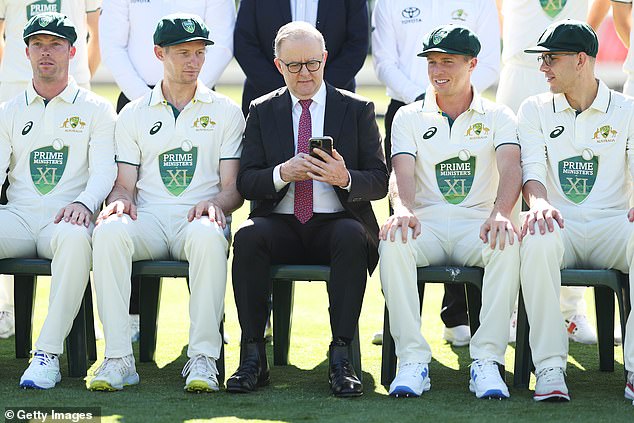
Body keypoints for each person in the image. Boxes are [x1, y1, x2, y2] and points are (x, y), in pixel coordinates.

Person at [226, 21, 387, 397]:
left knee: (351, 235)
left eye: (312, 64)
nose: (304, 73)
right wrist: (283, 173)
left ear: (325, 59)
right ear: (278, 65)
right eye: (294, 65)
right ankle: (252, 356)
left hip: (336, 223)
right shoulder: (262, 110)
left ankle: (341, 356)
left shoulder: (357, 108)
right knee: (247, 237)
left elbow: (379, 180)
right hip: (280, 223)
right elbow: (246, 181)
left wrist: (344, 177)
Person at [88, 14, 244, 393]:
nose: (193, 61)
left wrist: (215, 205)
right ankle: (118, 358)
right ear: (159, 53)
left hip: (198, 218)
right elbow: (124, 185)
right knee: (108, 231)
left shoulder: (225, 111)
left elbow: (233, 189)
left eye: (199, 52)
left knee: (209, 236)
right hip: (150, 218)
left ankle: (203, 358)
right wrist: (120, 203)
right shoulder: (134, 113)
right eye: (183, 53)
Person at [379, 24, 521, 399]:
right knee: (393, 240)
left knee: (507, 241)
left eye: (448, 62)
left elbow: (511, 168)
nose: (438, 70)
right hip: (425, 222)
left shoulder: (499, 114)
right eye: (431, 62)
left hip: (478, 222)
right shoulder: (408, 116)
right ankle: (412, 359)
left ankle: (488, 360)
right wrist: (402, 209)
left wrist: (502, 212)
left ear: (472, 63)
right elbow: (402, 171)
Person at [371, 0, 501, 347]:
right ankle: (400, 316)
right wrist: (424, 102)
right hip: (407, 106)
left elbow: (489, 62)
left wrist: (449, 94)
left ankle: (457, 315)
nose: (438, 65)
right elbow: (383, 61)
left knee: (466, 203)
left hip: (467, 108)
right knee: (403, 214)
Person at [519, 19, 634, 402]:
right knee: (534, 233)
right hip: (559, 224)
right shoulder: (534, 109)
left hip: (611, 225)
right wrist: (538, 204)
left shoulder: (626, 110)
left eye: (551, 58)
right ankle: (550, 366)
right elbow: (532, 174)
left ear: (581, 59)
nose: (542, 68)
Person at [0, 12, 116, 389]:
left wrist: (84, 203)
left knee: (76, 238)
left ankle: (46, 354)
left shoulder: (96, 109)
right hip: (17, 216)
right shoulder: (9, 111)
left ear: (72, 51)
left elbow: (103, 172)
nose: (45, 53)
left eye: (55, 45)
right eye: (38, 45)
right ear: (26, 52)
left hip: (65, 218)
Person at [496, 0, 611, 346]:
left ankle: (571, 311)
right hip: (519, 68)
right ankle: (516, 307)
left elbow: (604, 4)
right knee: (513, 185)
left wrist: (579, 39)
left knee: (575, 192)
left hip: (570, 64)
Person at [233, 0, 369, 116]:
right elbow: (244, 43)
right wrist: (285, 94)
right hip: (266, 105)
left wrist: (319, 91)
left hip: (336, 105)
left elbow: (357, 43)